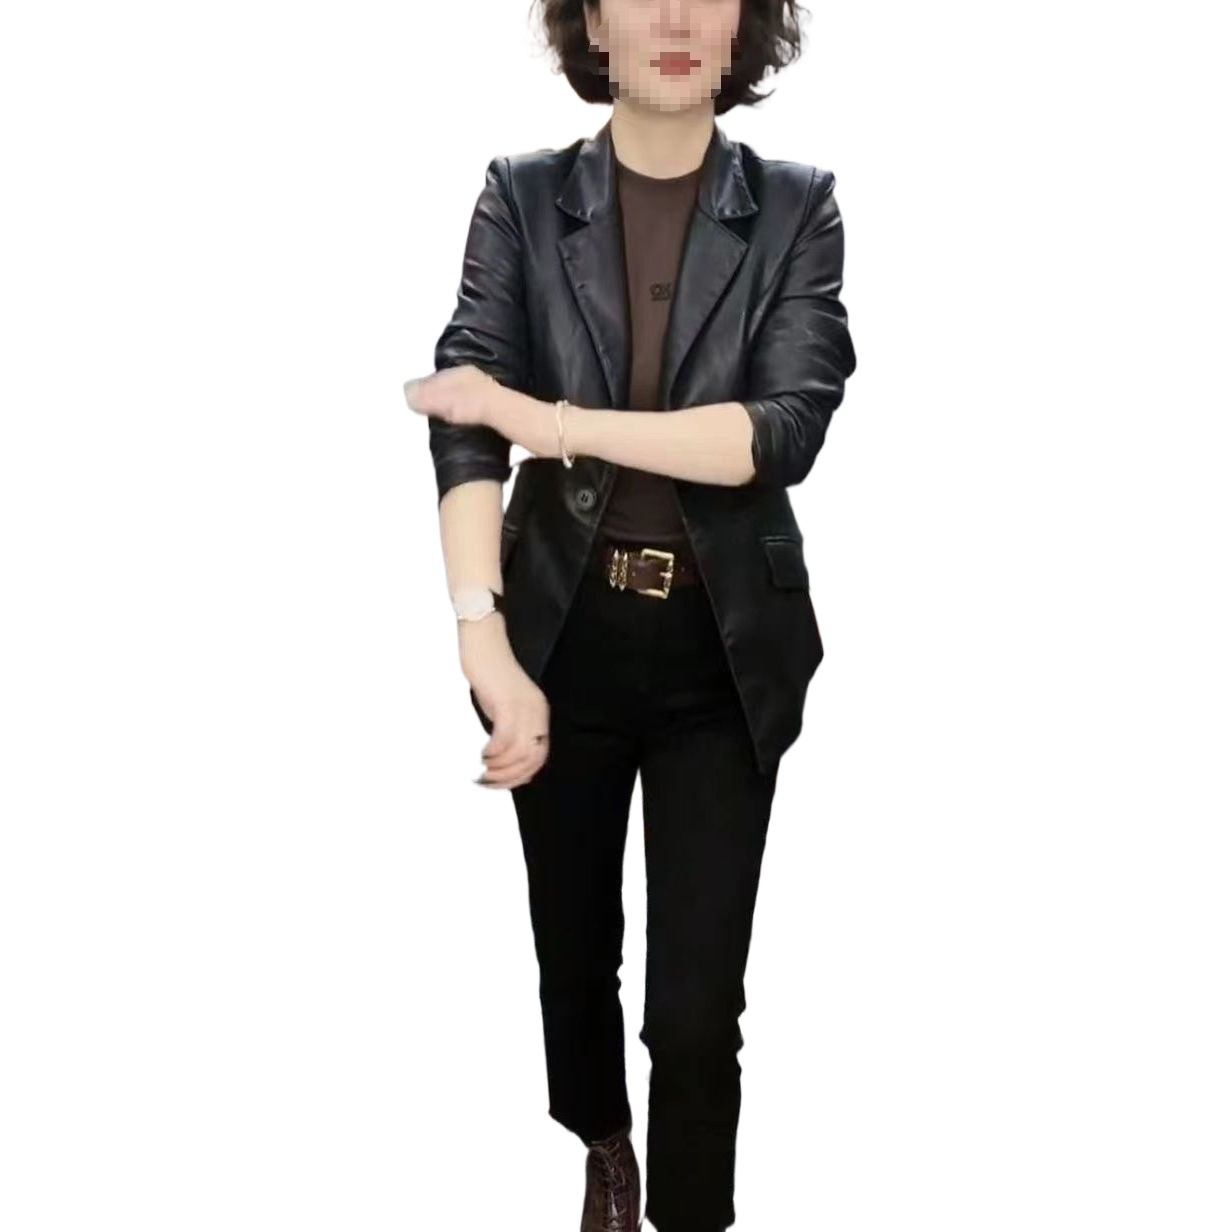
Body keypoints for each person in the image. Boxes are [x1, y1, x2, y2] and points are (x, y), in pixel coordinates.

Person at [404, 2, 856, 1228]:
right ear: (591, 22)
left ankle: (690, 1212)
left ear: (744, 24)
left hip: (723, 651)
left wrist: (550, 422)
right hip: (560, 633)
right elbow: (462, 421)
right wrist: (483, 642)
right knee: (573, 951)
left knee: (697, 1008)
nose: (672, 15)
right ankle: (604, 1142)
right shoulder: (520, 195)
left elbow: (777, 432)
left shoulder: (795, 207)